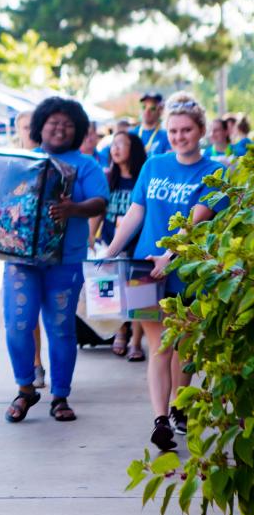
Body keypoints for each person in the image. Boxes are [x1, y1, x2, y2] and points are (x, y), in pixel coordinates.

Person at [0, 97, 109, 423]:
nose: (60, 129)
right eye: (53, 122)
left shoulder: (85, 165)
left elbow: (100, 202)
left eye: (68, 125)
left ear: (78, 131)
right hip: (21, 260)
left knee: (61, 329)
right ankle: (25, 388)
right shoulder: (20, 161)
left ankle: (60, 396)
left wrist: (72, 209)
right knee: (18, 325)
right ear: (40, 125)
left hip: (66, 259)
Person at [106, 92, 226, 451]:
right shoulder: (153, 165)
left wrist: (170, 257)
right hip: (145, 268)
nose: (178, 137)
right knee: (159, 346)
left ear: (201, 130)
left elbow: (196, 222)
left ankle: (179, 406)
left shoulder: (214, 171)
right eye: (173, 130)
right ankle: (161, 420)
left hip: (188, 270)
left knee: (183, 346)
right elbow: (136, 213)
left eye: (186, 130)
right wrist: (109, 253)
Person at [90, 132, 148, 360]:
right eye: (113, 145)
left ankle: (136, 341)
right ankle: (120, 331)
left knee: (138, 294)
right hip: (110, 242)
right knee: (111, 292)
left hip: (137, 245)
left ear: (133, 149)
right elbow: (99, 210)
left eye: (121, 144)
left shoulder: (142, 177)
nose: (115, 149)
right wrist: (91, 235)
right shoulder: (107, 177)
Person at [12, 111, 46, 388]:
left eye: (34, 126)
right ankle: (30, 368)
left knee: (46, 316)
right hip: (17, 247)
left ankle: (39, 363)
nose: (31, 131)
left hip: (45, 246)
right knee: (23, 317)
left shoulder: (50, 161)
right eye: (26, 127)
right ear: (18, 131)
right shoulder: (11, 162)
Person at [133, 92, 171, 157]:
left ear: (160, 110)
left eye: (152, 108)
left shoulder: (167, 136)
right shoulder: (131, 134)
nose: (147, 111)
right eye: (144, 107)